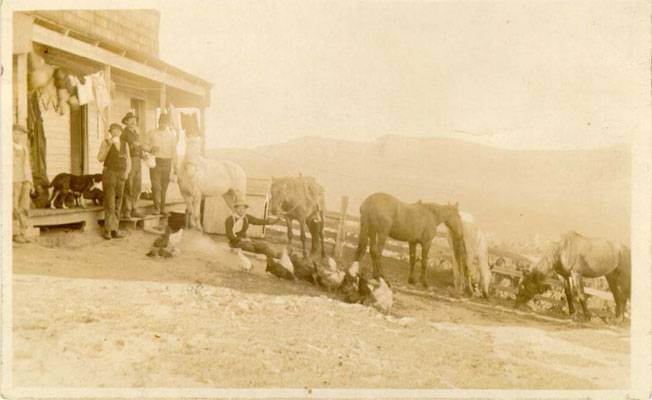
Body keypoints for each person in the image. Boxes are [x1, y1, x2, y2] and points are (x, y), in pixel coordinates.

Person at [97, 123, 131, 240]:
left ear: (121, 132)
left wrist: (126, 172)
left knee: (118, 203)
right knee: (110, 203)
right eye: (113, 130)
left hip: (121, 174)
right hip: (109, 174)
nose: (115, 132)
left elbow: (128, 161)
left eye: (118, 130)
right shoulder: (106, 143)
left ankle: (115, 229)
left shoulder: (124, 144)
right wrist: (108, 146)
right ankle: (107, 230)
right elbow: (100, 158)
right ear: (110, 132)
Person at [143, 113, 178, 215]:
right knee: (156, 186)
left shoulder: (171, 136)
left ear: (167, 123)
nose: (163, 124)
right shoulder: (151, 133)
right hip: (155, 162)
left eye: (165, 122)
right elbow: (144, 146)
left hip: (167, 162)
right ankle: (156, 208)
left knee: (164, 187)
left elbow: (174, 152)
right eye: (161, 122)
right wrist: (150, 149)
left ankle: (162, 208)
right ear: (158, 122)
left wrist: (175, 167)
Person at [120, 111, 145, 218]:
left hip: (138, 161)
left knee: (137, 185)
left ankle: (135, 207)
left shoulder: (136, 134)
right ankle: (127, 210)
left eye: (134, 119)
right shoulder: (124, 134)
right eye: (130, 119)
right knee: (128, 185)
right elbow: (122, 150)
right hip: (129, 161)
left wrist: (144, 154)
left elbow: (139, 147)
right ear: (126, 121)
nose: (133, 121)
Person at [13, 125, 34, 244]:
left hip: (25, 180)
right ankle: (14, 233)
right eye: (15, 133)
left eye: (20, 134)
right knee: (14, 206)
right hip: (13, 180)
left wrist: (30, 182)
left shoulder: (24, 148)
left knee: (24, 207)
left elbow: (27, 166)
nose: (18, 136)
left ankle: (22, 232)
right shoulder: (7, 147)